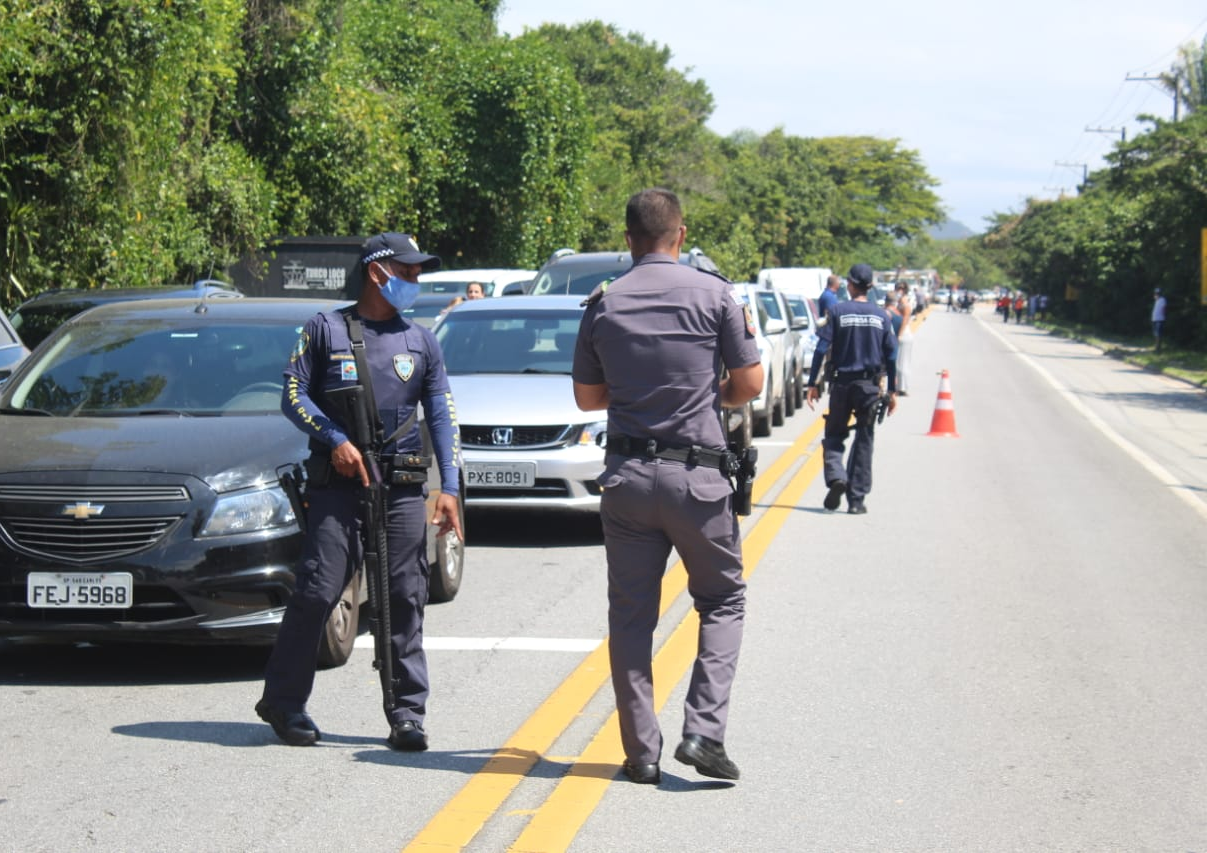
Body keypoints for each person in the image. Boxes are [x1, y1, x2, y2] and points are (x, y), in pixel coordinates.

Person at [572, 188, 763, 786]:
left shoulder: (603, 303)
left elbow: (587, 399)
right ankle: (703, 732)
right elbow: (751, 384)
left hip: (627, 480)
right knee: (723, 601)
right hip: (698, 481)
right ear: (680, 236)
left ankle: (641, 754)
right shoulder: (715, 295)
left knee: (631, 619)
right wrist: (713, 396)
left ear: (627, 240)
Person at [256, 232, 464, 750]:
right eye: (408, 272)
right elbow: (292, 395)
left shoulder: (421, 341)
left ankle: (407, 714)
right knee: (318, 592)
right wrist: (335, 439)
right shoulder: (325, 330)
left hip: (400, 489)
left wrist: (452, 489)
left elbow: (442, 415)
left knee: (405, 596)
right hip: (339, 487)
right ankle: (283, 704)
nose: (415, 282)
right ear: (378, 272)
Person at [806, 263, 898, 514]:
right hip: (869, 387)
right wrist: (892, 391)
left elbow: (821, 349)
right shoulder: (881, 316)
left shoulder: (837, 311)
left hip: (842, 385)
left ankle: (837, 477)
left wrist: (812, 382)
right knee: (864, 439)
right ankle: (856, 501)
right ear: (870, 286)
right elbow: (891, 354)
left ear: (849, 284)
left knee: (834, 433)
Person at [893, 281, 913, 396]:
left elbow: (905, 320)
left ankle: (902, 388)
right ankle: (898, 386)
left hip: (904, 334)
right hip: (900, 334)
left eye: (901, 289)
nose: (899, 291)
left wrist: (899, 335)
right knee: (898, 362)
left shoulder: (905, 304)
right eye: (898, 288)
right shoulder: (899, 303)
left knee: (902, 362)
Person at [1152, 288, 1167, 352]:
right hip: (1155, 320)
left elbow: (1164, 309)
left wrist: (1164, 317)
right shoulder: (1157, 301)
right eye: (1155, 293)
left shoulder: (1162, 300)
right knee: (1156, 334)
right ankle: (1156, 347)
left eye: (1157, 293)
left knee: (1158, 334)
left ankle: (1158, 349)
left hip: (1160, 319)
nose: (1156, 295)